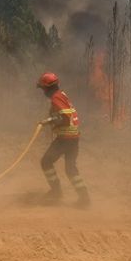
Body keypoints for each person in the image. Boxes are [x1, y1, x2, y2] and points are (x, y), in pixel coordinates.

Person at [36, 72, 90, 207]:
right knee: (70, 168)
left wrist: (47, 121)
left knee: (46, 162)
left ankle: (56, 192)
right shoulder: (62, 95)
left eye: (43, 89)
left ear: (47, 88)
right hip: (73, 138)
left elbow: (64, 118)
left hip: (65, 139)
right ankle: (84, 198)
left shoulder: (56, 98)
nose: (43, 92)